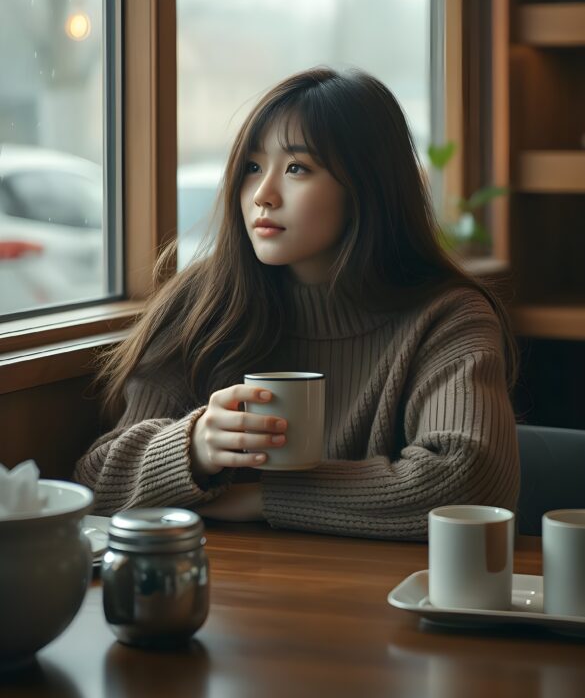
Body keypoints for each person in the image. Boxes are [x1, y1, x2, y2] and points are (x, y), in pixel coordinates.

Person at [75, 68, 520, 540]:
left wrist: (261, 498)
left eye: (296, 168)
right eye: (251, 167)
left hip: (383, 599)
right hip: (226, 601)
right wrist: (194, 447)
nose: (262, 195)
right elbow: (95, 482)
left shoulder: (446, 317)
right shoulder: (201, 305)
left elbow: (470, 479)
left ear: (365, 189)